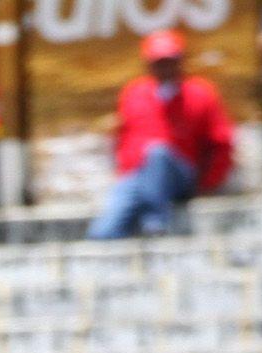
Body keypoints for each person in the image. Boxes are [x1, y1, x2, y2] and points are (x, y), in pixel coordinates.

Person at [90, 32, 238, 240]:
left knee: (158, 153)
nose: (165, 68)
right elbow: (122, 138)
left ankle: (155, 222)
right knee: (103, 232)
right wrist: (124, 172)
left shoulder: (200, 93)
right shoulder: (134, 93)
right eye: (159, 62)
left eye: (170, 62)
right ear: (149, 64)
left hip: (181, 174)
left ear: (180, 62)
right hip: (138, 176)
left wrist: (208, 183)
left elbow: (222, 142)